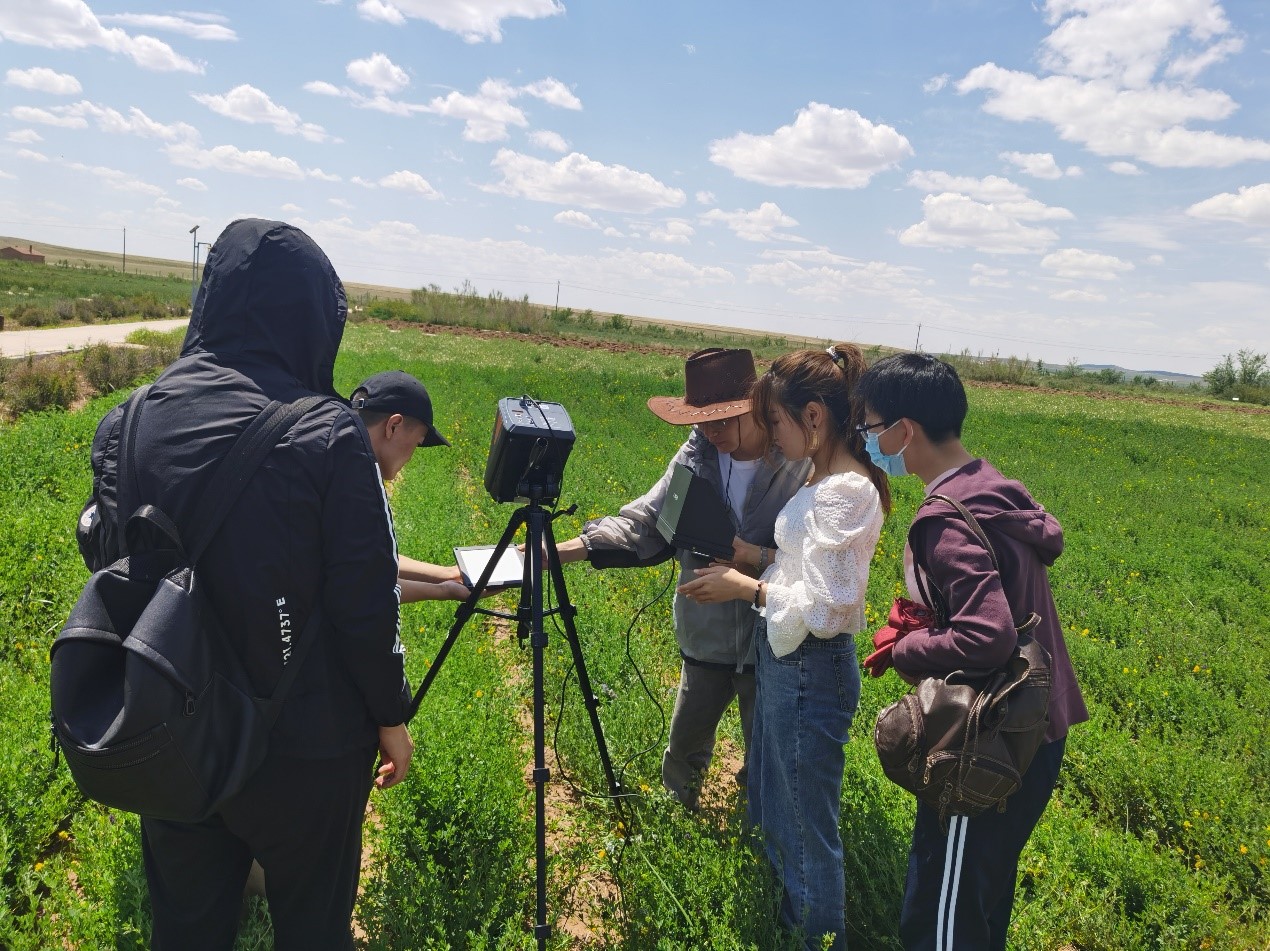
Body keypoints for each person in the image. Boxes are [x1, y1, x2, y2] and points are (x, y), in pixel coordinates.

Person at [76, 219, 413, 951]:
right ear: (314, 317)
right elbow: (365, 603)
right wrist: (391, 717)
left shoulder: (126, 420)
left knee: (186, 926)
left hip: (171, 724)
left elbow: (110, 562)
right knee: (313, 926)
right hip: (307, 747)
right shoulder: (329, 434)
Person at [853, 352, 1088, 951]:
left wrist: (907, 649)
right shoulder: (988, 487)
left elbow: (988, 635)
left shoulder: (946, 520)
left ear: (904, 430)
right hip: (1033, 730)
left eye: (872, 427)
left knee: (943, 917)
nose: (869, 440)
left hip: (989, 742)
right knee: (980, 901)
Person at [679, 344, 890, 951]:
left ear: (814, 417)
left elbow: (828, 609)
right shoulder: (824, 479)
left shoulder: (845, 490)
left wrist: (744, 586)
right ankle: (785, 926)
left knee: (803, 826)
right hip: (788, 663)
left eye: (775, 421)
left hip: (811, 670)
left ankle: (819, 938)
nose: (771, 435)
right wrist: (761, 556)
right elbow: (812, 567)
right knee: (776, 803)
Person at [554, 348, 810, 810]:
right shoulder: (696, 455)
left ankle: (759, 827)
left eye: (721, 420)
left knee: (768, 752)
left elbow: (817, 559)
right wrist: (562, 551)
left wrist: (753, 565)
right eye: (700, 421)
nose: (710, 432)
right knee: (685, 743)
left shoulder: (796, 461)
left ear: (754, 407)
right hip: (705, 631)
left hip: (772, 636)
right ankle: (678, 813)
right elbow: (647, 520)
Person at [349, 369, 471, 604]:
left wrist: (447, 575)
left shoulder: (339, 463)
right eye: (417, 442)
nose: (412, 455)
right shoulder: (352, 487)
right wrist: (443, 591)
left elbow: (371, 560)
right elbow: (361, 586)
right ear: (393, 426)